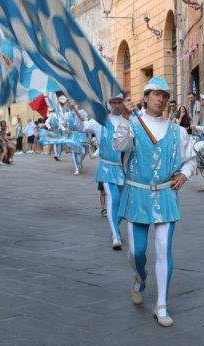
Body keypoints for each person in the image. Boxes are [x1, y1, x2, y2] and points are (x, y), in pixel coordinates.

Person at [114, 77, 196, 328]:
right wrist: (125, 118)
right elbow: (119, 144)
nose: (160, 99)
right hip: (137, 194)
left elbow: (191, 159)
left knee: (163, 249)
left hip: (165, 195)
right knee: (136, 252)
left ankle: (161, 304)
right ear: (146, 97)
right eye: (156, 94)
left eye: (164, 95)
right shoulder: (132, 124)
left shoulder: (178, 131)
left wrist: (184, 175)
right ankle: (140, 276)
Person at [77, 94, 126, 249]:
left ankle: (115, 228)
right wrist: (74, 110)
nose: (117, 105)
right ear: (109, 104)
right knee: (113, 198)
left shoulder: (131, 120)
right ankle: (116, 235)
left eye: (119, 102)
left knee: (123, 204)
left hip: (127, 170)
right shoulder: (100, 121)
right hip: (108, 168)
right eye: (114, 102)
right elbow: (81, 127)